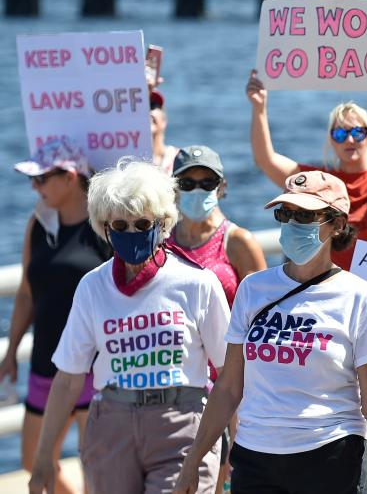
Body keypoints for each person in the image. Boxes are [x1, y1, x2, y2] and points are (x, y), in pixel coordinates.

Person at [172, 171, 367, 494]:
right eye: (286, 214)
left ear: (337, 224)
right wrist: (192, 462)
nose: (293, 223)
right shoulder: (253, 289)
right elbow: (227, 387)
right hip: (256, 458)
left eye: (306, 215)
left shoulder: (358, 295)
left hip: (332, 457)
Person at [29, 158, 230, 494]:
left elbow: (229, 373)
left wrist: (238, 443)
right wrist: (44, 456)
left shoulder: (197, 283)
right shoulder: (93, 287)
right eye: (120, 226)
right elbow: (67, 378)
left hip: (181, 425)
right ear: (105, 228)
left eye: (142, 223)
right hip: (111, 425)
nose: (132, 232)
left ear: (163, 223)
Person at [4, 139, 108, 494]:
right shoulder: (38, 225)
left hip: (96, 368)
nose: (35, 187)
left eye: (42, 178)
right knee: (34, 461)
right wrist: (10, 351)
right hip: (46, 364)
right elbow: (25, 294)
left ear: (69, 177)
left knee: (99, 467)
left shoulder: (105, 229)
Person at [247, 70, 367, 269]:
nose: (350, 139)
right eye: (339, 134)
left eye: (357, 132)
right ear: (331, 140)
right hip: (328, 289)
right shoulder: (316, 183)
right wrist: (259, 107)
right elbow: (266, 160)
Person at [166, 146, 266, 306]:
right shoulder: (161, 241)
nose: (197, 190)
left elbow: (261, 310)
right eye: (187, 183)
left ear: (221, 188)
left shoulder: (239, 242)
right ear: (174, 188)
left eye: (207, 183)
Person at [149, 89, 180, 174]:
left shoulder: (180, 159)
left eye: (151, 105)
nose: (145, 111)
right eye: (139, 108)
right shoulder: (125, 163)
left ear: (164, 120)